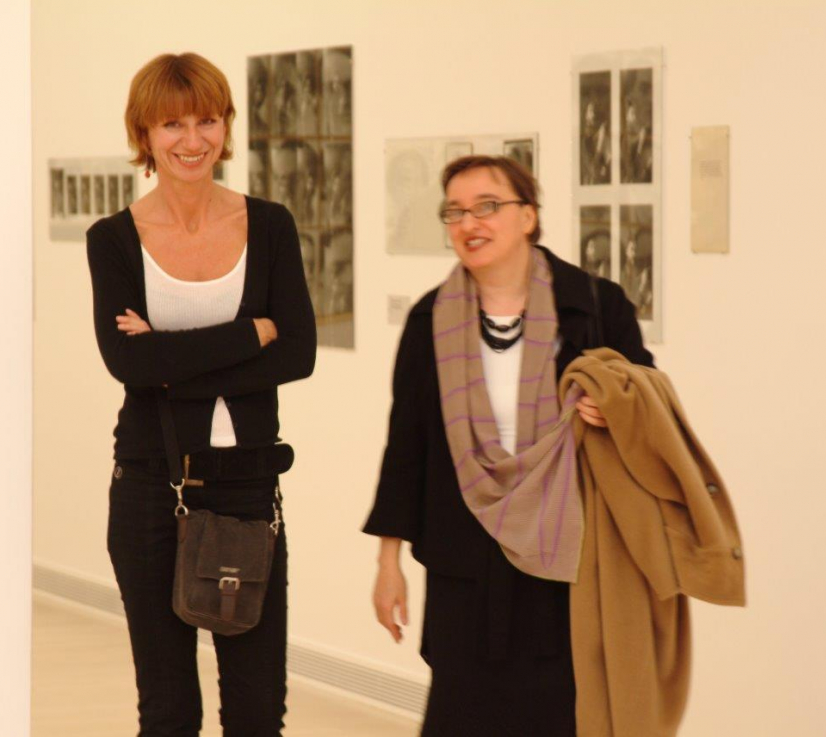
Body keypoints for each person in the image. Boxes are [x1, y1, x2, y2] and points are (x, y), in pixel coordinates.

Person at [363, 155, 653, 736]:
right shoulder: (429, 319)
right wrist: (387, 563)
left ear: (528, 216)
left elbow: (647, 404)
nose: (470, 223)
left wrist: (615, 409)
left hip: (567, 557)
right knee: (461, 717)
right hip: (463, 560)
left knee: (560, 715)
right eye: (455, 212)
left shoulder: (595, 306)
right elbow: (407, 446)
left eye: (487, 206)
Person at [86, 52, 316, 737]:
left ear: (226, 126)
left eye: (207, 121)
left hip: (247, 484)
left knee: (256, 712)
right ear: (145, 134)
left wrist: (168, 361)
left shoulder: (269, 226)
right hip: (149, 488)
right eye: (172, 124)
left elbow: (297, 354)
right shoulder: (113, 240)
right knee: (168, 711)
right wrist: (250, 333)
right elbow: (126, 364)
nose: (193, 140)